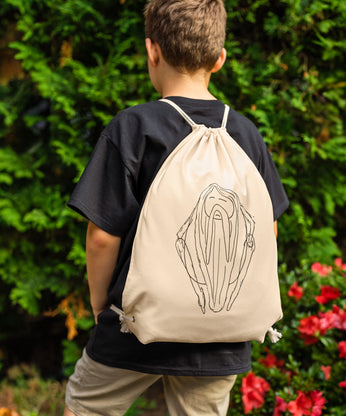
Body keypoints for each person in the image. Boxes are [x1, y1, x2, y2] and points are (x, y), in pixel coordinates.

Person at [64, 0, 289, 415]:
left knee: (86, 405)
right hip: (221, 333)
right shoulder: (245, 133)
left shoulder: (133, 127)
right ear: (220, 59)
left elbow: (100, 237)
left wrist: (101, 309)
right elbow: (267, 231)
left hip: (135, 325)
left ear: (152, 51)